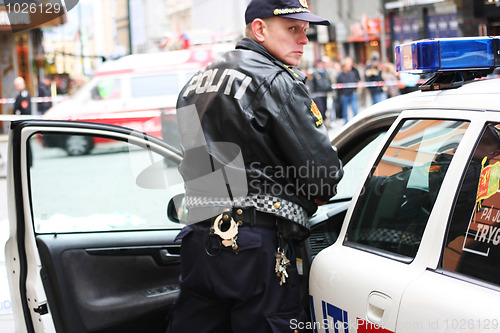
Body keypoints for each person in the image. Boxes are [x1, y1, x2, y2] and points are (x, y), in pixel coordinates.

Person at [167, 0, 343, 332]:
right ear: (260, 29)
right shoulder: (278, 81)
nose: (304, 40)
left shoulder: (195, 82)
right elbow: (325, 178)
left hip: (198, 238)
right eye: (293, 29)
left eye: (305, 31)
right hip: (257, 245)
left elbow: (195, 157)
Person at [336, 57, 360, 122]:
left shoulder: (352, 73)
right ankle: (346, 122)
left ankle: (356, 121)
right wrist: (342, 94)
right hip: (344, 95)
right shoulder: (340, 76)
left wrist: (355, 90)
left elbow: (355, 82)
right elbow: (338, 86)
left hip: (352, 94)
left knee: (355, 109)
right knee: (345, 110)